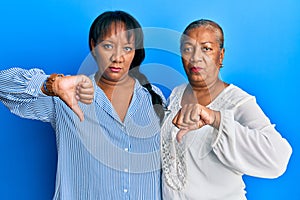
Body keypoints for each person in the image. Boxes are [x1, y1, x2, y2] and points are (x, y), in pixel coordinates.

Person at [0, 10, 165, 199]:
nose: (118, 57)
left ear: (135, 51)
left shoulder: (154, 98)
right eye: (108, 46)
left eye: (127, 48)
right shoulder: (65, 96)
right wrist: (50, 85)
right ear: (94, 46)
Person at [161, 19, 292, 200]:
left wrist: (216, 119)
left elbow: (278, 159)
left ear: (220, 56)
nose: (195, 57)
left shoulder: (237, 102)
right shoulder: (177, 93)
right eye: (188, 49)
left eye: (206, 48)